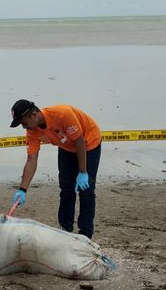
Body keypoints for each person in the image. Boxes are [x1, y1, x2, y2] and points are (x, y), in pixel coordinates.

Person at [9, 100, 102, 239]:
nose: (24, 127)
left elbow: (79, 142)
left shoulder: (63, 114)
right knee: (66, 187)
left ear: (34, 115)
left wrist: (83, 172)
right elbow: (31, 160)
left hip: (88, 143)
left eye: (24, 123)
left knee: (86, 190)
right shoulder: (32, 131)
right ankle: (65, 229)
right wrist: (22, 189)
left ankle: (85, 234)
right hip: (66, 146)